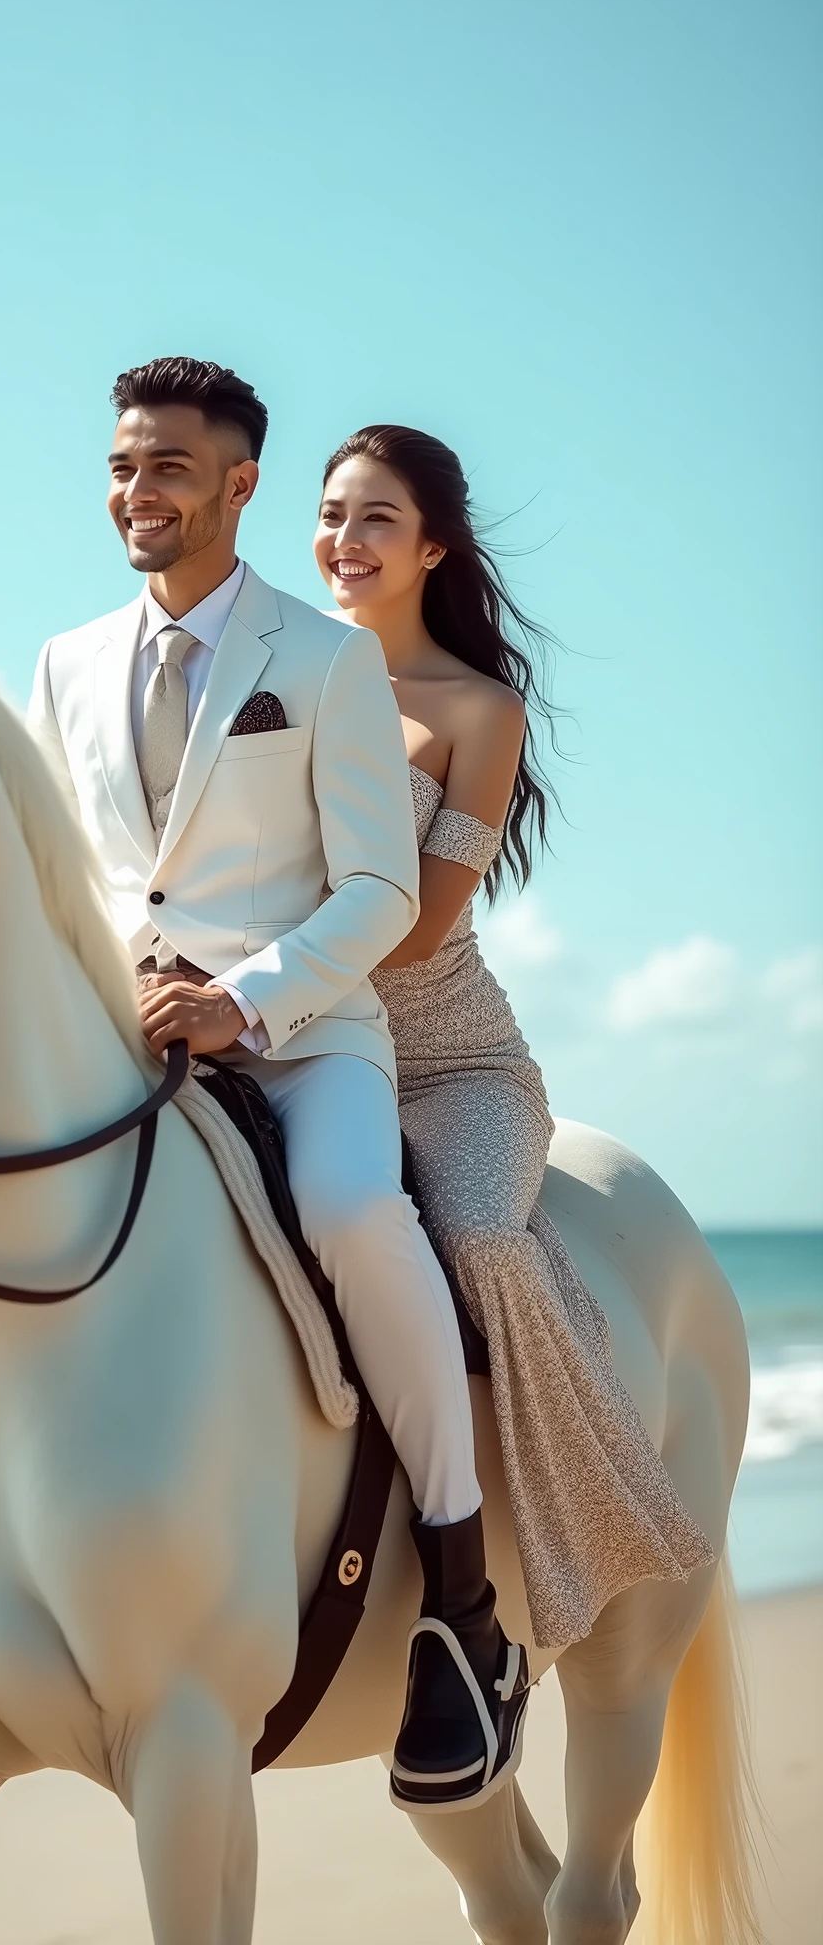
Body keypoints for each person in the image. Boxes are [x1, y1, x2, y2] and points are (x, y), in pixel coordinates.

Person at [28, 358, 527, 1813]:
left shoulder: (325, 661)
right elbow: (66, 873)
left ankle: (461, 1605)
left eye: (170, 467)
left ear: (237, 483)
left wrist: (239, 1004)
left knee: (360, 1213)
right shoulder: (60, 665)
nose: (140, 491)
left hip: (307, 1040)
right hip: (116, 1036)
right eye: (125, 466)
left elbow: (380, 892)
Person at [314, 423, 712, 1648]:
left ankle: (561, 1530)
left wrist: (243, 987)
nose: (344, 539)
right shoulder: (271, 675)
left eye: (375, 516)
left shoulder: (477, 708)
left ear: (432, 545)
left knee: (483, 1237)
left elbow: (423, 924)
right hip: (288, 1044)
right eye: (330, 513)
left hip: (445, 1061)